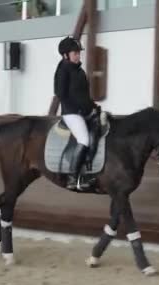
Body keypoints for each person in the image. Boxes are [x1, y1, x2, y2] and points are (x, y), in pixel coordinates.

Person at [54, 36, 97, 190]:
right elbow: (61, 94)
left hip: (83, 111)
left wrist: (94, 107)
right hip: (71, 113)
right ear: (66, 55)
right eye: (75, 53)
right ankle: (73, 177)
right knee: (84, 139)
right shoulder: (62, 71)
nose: (78, 55)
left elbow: (84, 95)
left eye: (79, 53)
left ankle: (92, 171)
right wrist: (79, 109)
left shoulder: (80, 71)